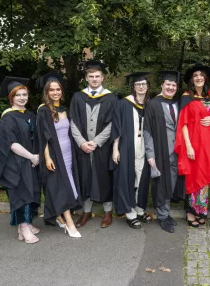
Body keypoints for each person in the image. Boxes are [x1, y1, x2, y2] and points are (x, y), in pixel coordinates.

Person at [69, 60, 117, 228]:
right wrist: (82, 143)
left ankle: (107, 212)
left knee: (104, 178)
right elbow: (73, 122)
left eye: (97, 76)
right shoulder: (78, 97)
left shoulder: (111, 98)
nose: (94, 79)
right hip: (82, 148)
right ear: (86, 78)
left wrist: (96, 142)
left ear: (103, 78)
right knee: (85, 177)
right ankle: (86, 212)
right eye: (91, 76)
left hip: (102, 148)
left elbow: (113, 124)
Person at [36, 71, 82, 238]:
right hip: (55, 155)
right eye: (51, 90)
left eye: (58, 89)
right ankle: (70, 224)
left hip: (68, 154)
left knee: (68, 185)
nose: (55, 92)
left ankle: (60, 217)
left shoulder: (64, 109)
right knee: (61, 189)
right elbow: (43, 138)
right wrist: (47, 157)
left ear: (61, 91)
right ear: (47, 92)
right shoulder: (43, 111)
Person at [0, 76, 41, 244]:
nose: (22, 98)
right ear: (11, 98)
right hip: (15, 163)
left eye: (24, 94)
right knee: (20, 194)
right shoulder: (8, 118)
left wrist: (36, 157)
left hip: (30, 161)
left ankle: (27, 223)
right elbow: (12, 144)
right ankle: (23, 227)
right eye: (18, 95)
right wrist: (32, 157)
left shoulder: (29, 114)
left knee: (30, 191)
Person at [174, 63, 210, 227]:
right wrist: (189, 146)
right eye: (195, 76)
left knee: (205, 177)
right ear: (192, 80)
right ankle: (190, 211)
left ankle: (202, 210)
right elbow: (183, 123)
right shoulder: (187, 97)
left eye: (201, 75)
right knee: (193, 176)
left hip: (208, 143)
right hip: (193, 142)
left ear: (205, 78)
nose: (198, 78)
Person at [144, 70, 184, 233]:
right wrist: (150, 154)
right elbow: (147, 131)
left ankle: (166, 214)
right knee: (161, 184)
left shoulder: (177, 103)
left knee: (171, 183)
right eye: (168, 84)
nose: (171, 87)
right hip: (160, 152)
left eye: (174, 85)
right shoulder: (153, 104)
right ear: (162, 85)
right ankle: (162, 216)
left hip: (176, 153)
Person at [111, 72, 152, 230]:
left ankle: (140, 209)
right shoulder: (123, 104)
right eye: (138, 84)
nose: (141, 87)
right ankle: (129, 213)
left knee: (142, 178)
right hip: (127, 146)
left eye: (144, 84)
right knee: (127, 178)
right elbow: (116, 127)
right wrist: (115, 149)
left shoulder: (150, 104)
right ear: (133, 87)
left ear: (147, 87)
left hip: (144, 146)